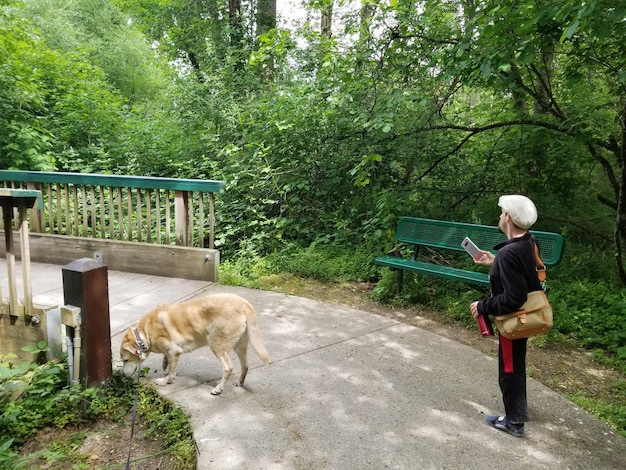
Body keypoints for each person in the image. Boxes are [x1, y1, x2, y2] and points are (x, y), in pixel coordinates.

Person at [469, 195, 542, 438]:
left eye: (502, 213)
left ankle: (514, 421)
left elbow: (513, 297)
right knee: (516, 364)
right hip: (528, 316)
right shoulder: (529, 242)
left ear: (508, 218)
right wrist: (494, 261)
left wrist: (483, 306)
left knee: (509, 369)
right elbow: (522, 275)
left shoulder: (509, 253)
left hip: (513, 319)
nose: (500, 217)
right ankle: (517, 411)